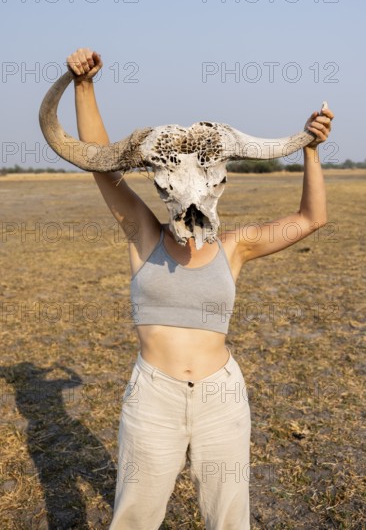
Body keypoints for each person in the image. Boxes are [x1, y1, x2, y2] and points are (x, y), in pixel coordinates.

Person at [66, 48, 334, 530]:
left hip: (221, 398)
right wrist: (84, 86)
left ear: (220, 180)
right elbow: (101, 165)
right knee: (134, 519)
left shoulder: (236, 247)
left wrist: (308, 150)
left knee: (229, 521)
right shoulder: (144, 236)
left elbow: (311, 219)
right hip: (154, 397)